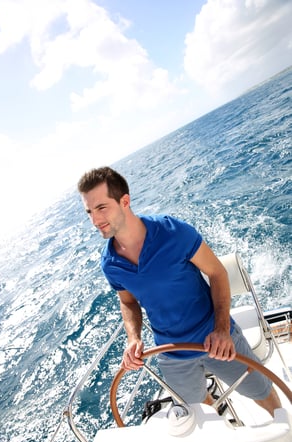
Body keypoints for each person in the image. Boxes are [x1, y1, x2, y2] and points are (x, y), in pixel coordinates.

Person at [78, 166, 281, 417]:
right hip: (171, 352)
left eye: (101, 208)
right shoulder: (110, 263)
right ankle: (231, 429)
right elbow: (128, 302)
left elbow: (217, 273)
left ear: (125, 201)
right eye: (89, 211)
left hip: (216, 338)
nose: (95, 220)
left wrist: (221, 330)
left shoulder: (173, 232)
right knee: (200, 414)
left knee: (262, 392)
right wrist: (133, 338)